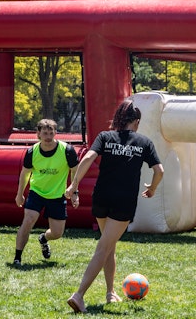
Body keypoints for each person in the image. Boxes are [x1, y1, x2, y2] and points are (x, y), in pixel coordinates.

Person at [63, 99, 164, 313]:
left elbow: (89, 156)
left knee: (109, 245)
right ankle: (79, 295)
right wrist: (153, 188)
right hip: (122, 201)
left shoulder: (105, 136)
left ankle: (110, 292)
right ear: (136, 121)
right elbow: (160, 171)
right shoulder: (144, 142)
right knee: (104, 246)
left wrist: (74, 184)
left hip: (101, 198)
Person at [13, 119, 79, 266]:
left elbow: (75, 171)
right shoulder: (32, 151)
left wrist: (74, 192)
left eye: (51, 133)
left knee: (57, 233)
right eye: (45, 133)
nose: (48, 136)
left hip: (57, 195)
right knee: (28, 220)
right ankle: (17, 257)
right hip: (36, 193)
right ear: (38, 134)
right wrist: (19, 194)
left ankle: (44, 239)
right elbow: (24, 174)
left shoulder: (67, 150)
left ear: (56, 133)